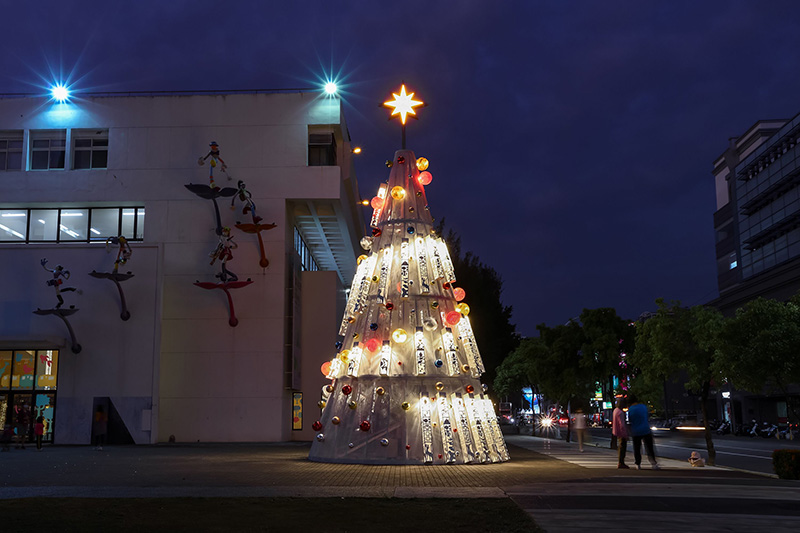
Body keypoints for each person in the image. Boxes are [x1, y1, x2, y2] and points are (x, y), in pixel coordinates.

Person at [627, 394, 660, 470]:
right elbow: (647, 416)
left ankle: (638, 463)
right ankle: (653, 463)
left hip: (636, 431)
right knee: (649, 447)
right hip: (646, 429)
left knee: (637, 448)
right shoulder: (643, 407)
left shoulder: (631, 409)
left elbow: (630, 420)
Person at [612, 398, 630, 469]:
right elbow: (622, 425)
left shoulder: (615, 410)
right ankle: (621, 462)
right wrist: (625, 434)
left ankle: (620, 462)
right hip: (621, 433)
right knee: (622, 447)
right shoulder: (620, 412)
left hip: (616, 432)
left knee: (620, 447)